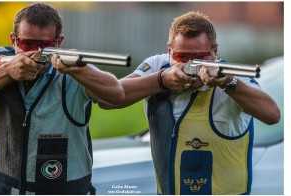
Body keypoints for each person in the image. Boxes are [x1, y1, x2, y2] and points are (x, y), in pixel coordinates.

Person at [99, 11, 280, 195]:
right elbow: (107, 99)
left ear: (214, 52)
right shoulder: (157, 67)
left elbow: (272, 115)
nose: (191, 65)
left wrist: (228, 83)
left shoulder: (230, 76)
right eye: (182, 57)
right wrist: (160, 80)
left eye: (200, 57)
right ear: (169, 50)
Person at [0, 3, 125, 195]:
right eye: (27, 44)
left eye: (45, 46)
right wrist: (6, 73)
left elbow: (117, 94)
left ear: (58, 42)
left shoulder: (74, 67)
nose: (35, 53)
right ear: (14, 40)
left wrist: (79, 70)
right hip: (5, 188)